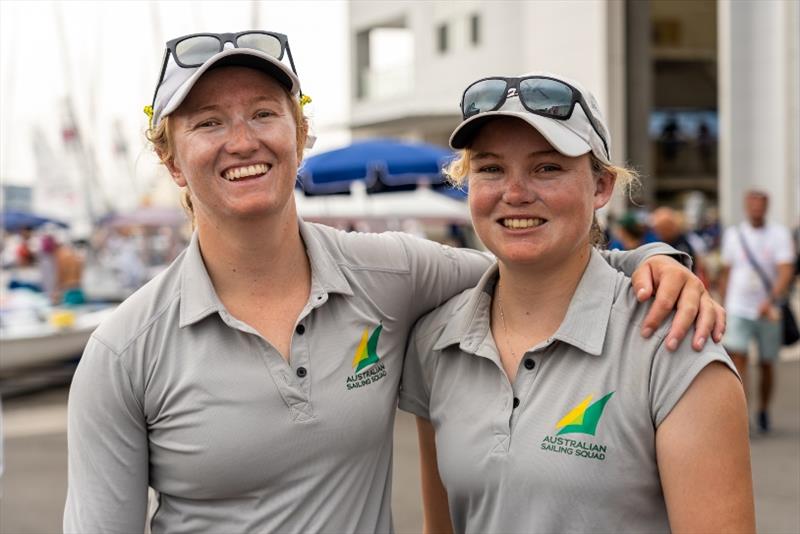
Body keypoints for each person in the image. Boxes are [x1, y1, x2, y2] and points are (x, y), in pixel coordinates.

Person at [63, 33, 724, 533]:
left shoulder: (390, 274)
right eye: (208, 122)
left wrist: (655, 262)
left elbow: (536, 262)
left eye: (263, 113)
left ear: (299, 132)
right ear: (170, 160)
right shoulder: (124, 352)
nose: (241, 140)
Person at [400, 72, 753, 533]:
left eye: (547, 167)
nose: (515, 192)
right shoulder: (437, 341)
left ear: (602, 186)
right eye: (490, 168)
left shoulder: (674, 345)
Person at [719, 190, 796, 432]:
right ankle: (742, 412)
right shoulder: (734, 235)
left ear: (766, 208)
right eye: (752, 206)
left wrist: (771, 299)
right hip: (738, 306)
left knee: (766, 362)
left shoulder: (779, 234)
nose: (756, 211)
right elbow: (727, 271)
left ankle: (763, 409)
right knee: (738, 359)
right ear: (746, 207)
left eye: (760, 207)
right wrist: (723, 303)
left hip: (766, 309)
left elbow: (786, 270)